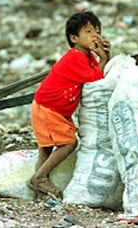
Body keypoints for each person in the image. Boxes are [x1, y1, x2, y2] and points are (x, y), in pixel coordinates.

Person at [28, 11, 111, 199]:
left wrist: (103, 57)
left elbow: (95, 75)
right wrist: (104, 59)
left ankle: (39, 186)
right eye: (88, 32)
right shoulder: (75, 57)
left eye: (97, 31)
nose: (95, 36)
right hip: (49, 109)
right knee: (69, 143)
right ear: (74, 38)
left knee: (47, 147)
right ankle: (39, 178)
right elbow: (95, 79)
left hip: (49, 108)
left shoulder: (87, 56)